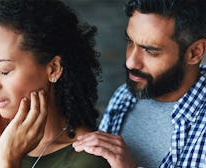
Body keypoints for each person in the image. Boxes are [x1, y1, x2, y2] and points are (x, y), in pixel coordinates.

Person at [73, 0, 206, 167]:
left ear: (195, 53)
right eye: (130, 41)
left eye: (150, 51)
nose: (131, 62)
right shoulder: (124, 96)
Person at [0, 0, 110, 167]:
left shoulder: (87, 160)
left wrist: (8, 160)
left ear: (54, 69)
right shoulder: (6, 146)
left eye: (4, 70)